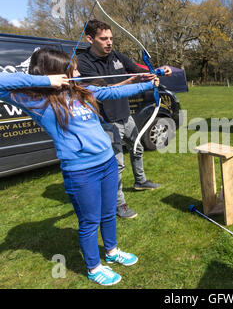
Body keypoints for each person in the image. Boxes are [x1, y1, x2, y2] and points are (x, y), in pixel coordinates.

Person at [0, 48, 160, 286]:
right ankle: (94, 267)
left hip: (107, 162)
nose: (77, 71)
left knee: (108, 213)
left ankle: (112, 251)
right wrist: (44, 81)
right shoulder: (38, 102)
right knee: (89, 221)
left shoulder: (81, 91)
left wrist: (147, 84)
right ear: (56, 72)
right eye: (71, 68)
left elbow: (114, 91)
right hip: (81, 171)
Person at [77, 19, 171, 219]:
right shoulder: (83, 63)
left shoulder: (116, 56)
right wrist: (131, 81)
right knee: (116, 164)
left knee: (137, 148)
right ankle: (118, 204)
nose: (109, 42)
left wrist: (155, 72)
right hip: (105, 120)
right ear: (89, 39)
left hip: (124, 114)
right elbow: (102, 90)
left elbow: (137, 69)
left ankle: (140, 181)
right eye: (103, 39)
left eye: (111, 38)